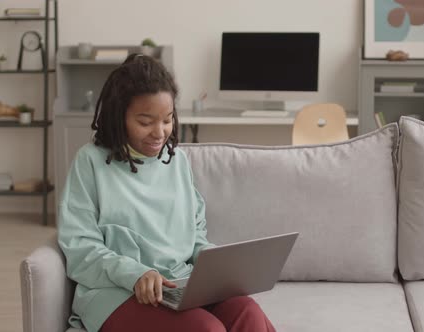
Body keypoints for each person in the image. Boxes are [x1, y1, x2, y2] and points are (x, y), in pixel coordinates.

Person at [57, 54, 276, 332]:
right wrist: (136, 274)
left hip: (179, 285)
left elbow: (194, 237)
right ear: (118, 116)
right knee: (205, 329)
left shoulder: (177, 161)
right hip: (116, 292)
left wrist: (220, 265)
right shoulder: (90, 161)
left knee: (247, 311)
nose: (159, 133)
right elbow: (80, 247)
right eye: (146, 122)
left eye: (167, 119)